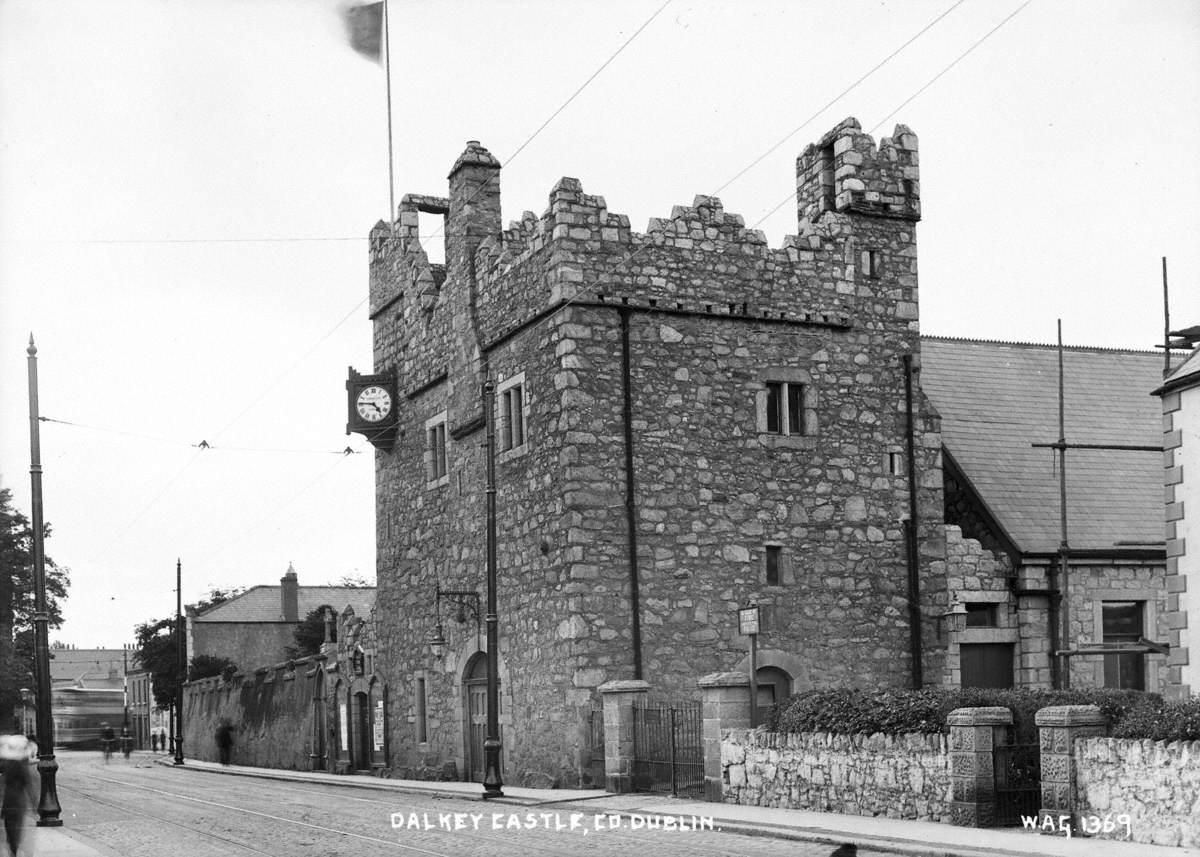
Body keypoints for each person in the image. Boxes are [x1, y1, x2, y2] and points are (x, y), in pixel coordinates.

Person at [1, 733, 36, 857]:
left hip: (8, 800)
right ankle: (14, 851)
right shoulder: (22, 766)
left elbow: (4, 784)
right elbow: (28, 785)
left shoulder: (7, 765)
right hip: (18, 801)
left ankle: (12, 849)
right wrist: (34, 803)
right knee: (17, 828)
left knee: (9, 827)